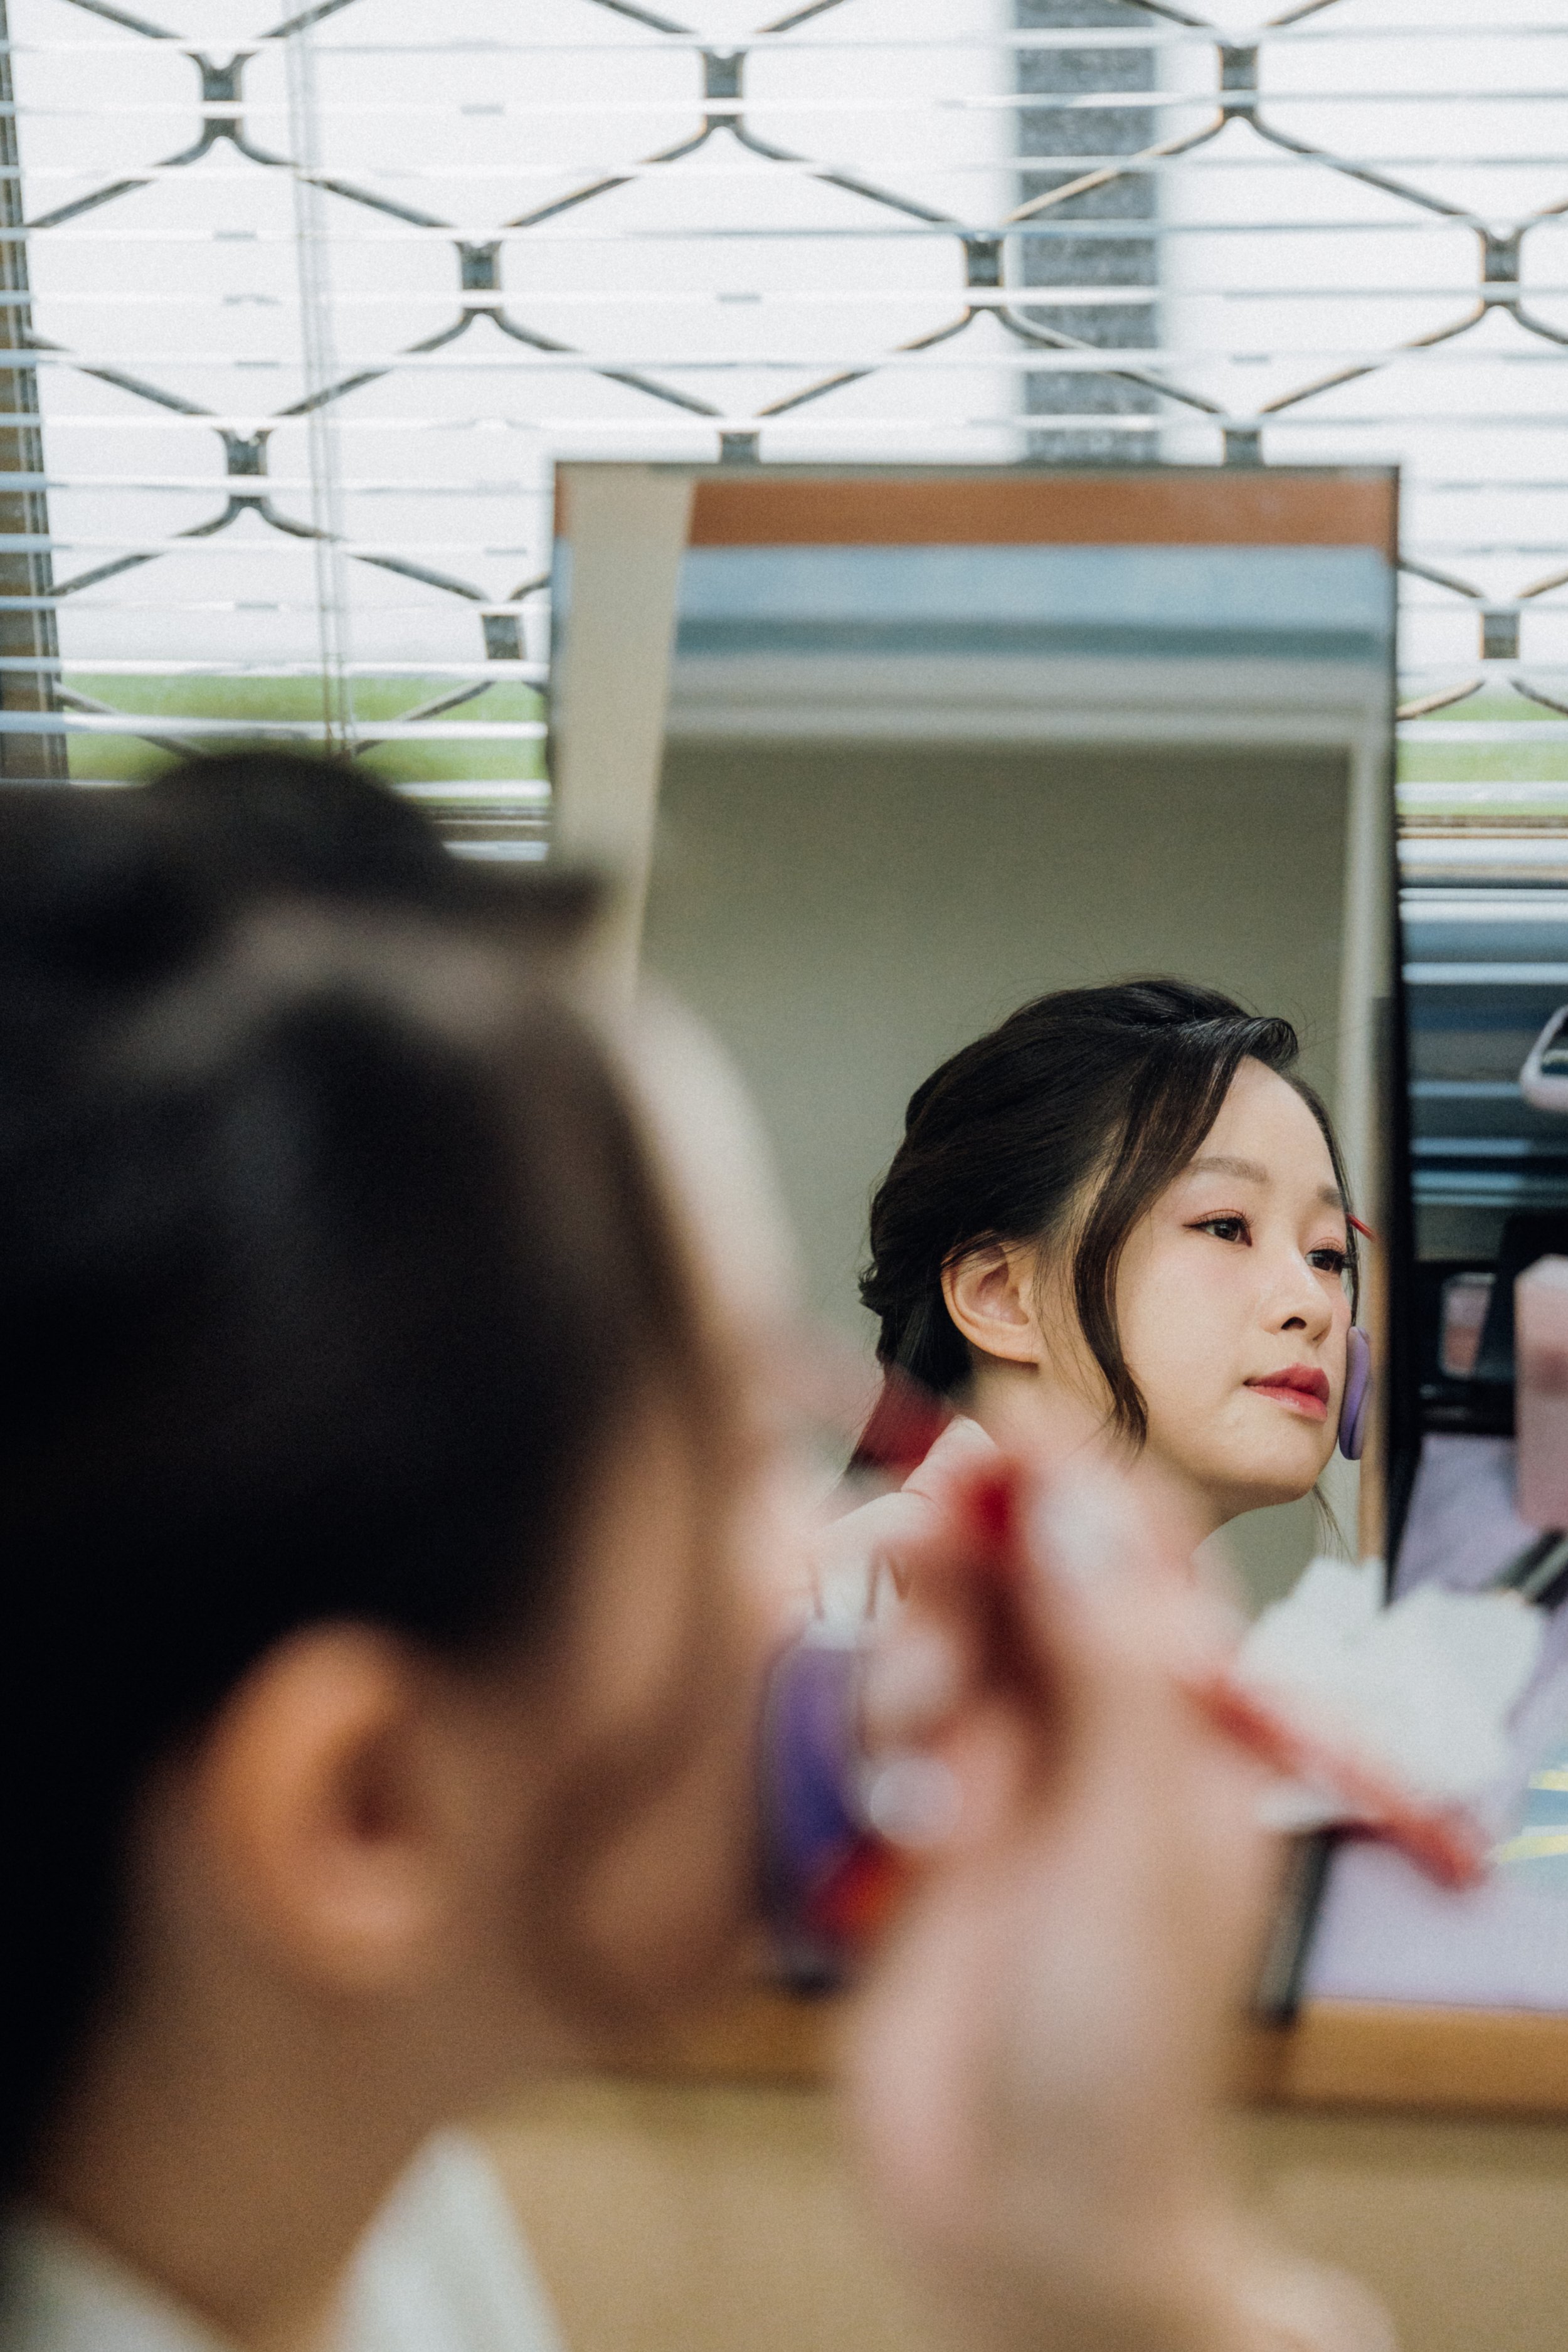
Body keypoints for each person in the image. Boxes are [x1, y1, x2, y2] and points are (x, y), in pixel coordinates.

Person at [0, 766, 1389, 2352]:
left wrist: (1095, 2259)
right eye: (735, 1448)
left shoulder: (361, 2217)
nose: (817, 1536)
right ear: (369, 1806)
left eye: (1329, 1252)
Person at [854, 981, 1360, 1547]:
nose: (1313, 1304)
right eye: (1225, 1226)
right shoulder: (860, 1587)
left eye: (1327, 1256)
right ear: (1002, 1294)